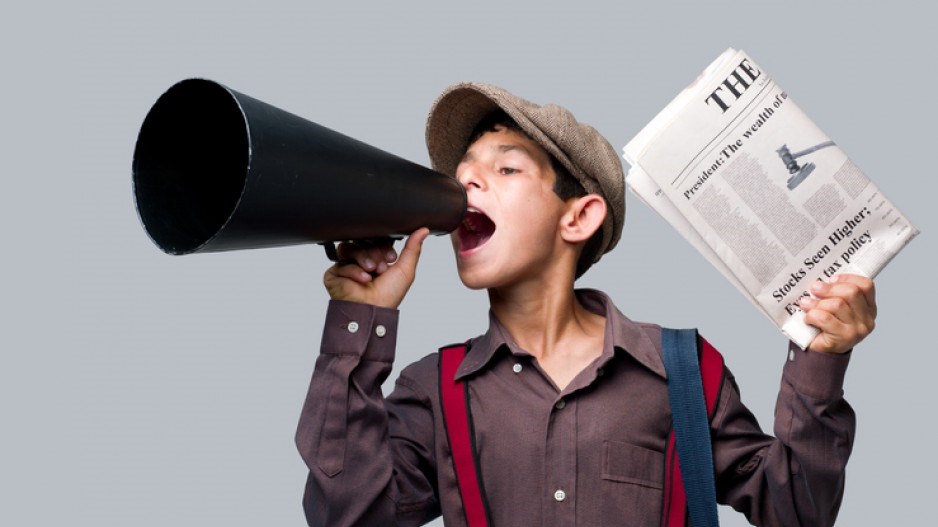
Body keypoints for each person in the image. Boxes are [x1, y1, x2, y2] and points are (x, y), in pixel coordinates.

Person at [295, 83, 876, 526]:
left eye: (504, 167)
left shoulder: (683, 371)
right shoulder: (433, 388)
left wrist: (822, 359)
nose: (464, 185)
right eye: (460, 175)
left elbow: (796, 506)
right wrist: (361, 321)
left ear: (579, 216)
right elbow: (347, 515)